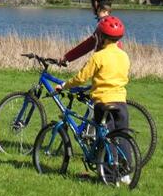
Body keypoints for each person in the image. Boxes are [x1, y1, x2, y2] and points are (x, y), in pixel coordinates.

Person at [56, 16, 131, 182]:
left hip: (103, 102)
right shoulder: (124, 56)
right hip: (121, 102)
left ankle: (109, 177)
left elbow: (81, 77)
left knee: (106, 137)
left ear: (101, 37)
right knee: (122, 134)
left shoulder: (99, 56)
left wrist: (64, 85)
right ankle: (126, 172)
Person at [60, 0, 120, 64]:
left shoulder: (104, 25)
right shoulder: (110, 22)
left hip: (106, 68)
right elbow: (89, 44)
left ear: (96, 3)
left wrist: (67, 57)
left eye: (92, 3)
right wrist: (67, 57)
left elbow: (88, 45)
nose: (91, 6)